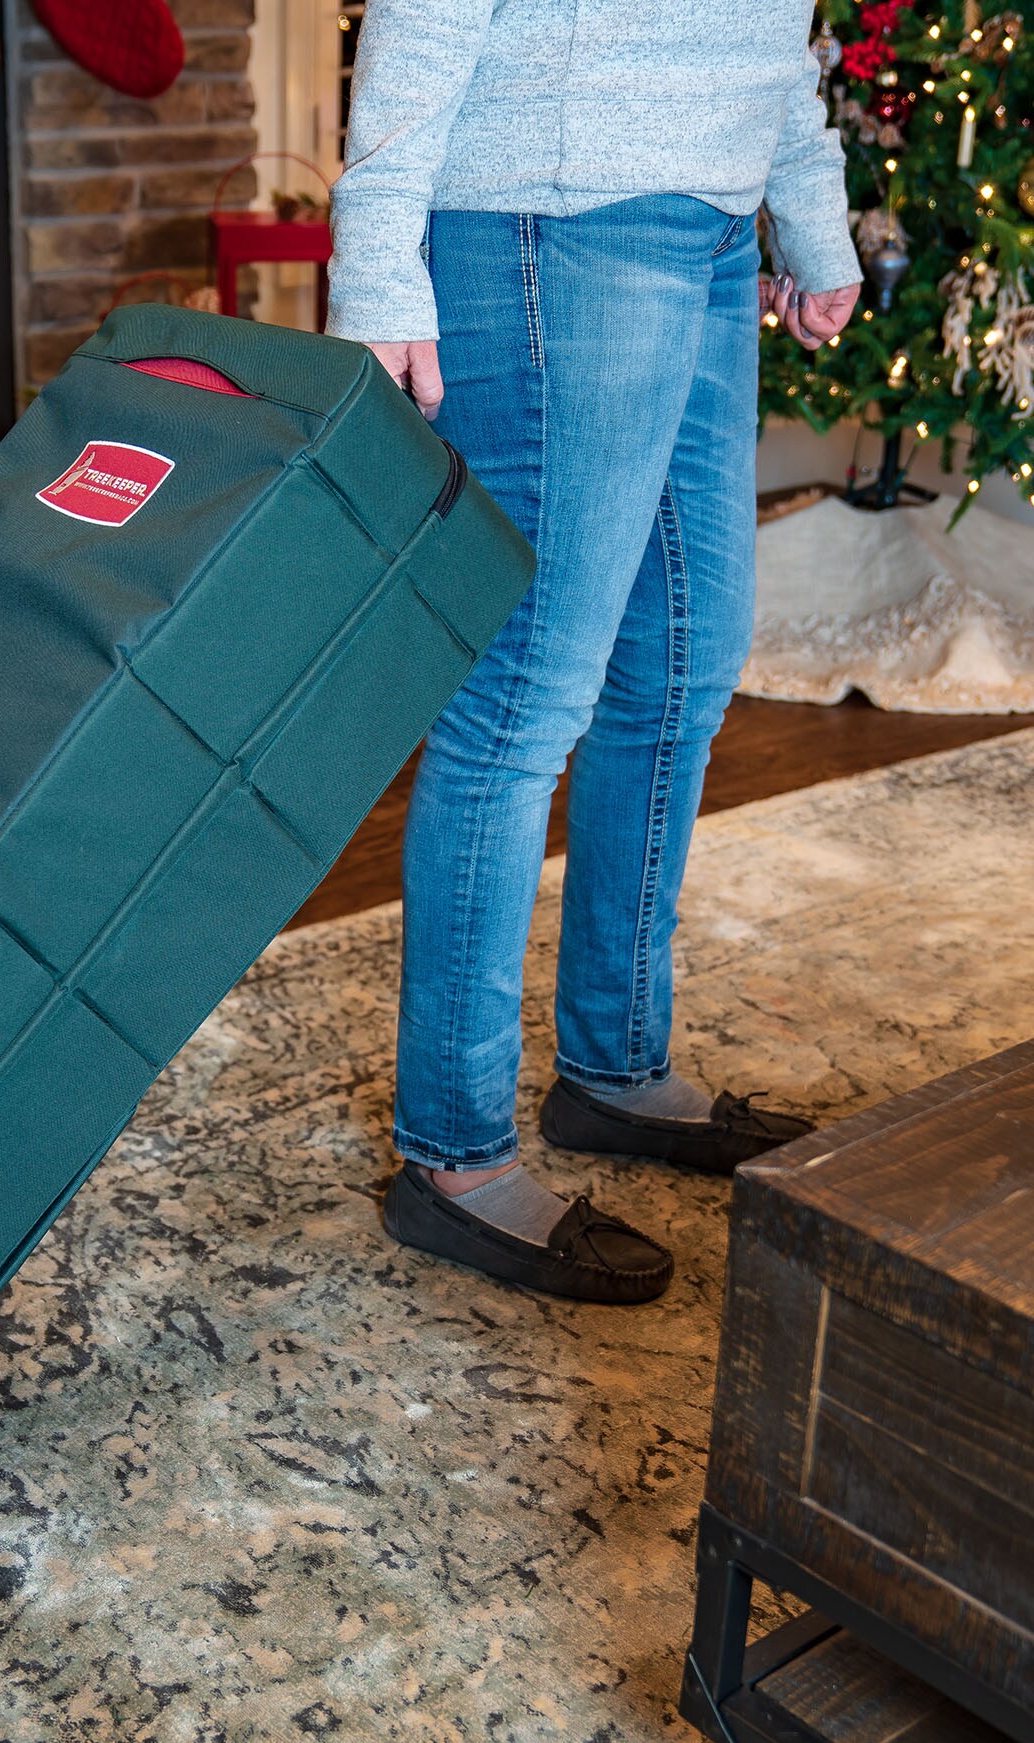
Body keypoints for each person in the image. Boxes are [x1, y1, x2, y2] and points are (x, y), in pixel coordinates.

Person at [327, 2, 861, 1303]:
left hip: (714, 233)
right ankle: (452, 1156)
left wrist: (813, 215)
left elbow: (775, 37)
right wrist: (377, 263)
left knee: (684, 664)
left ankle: (615, 1071)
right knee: (523, 700)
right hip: (548, 223)